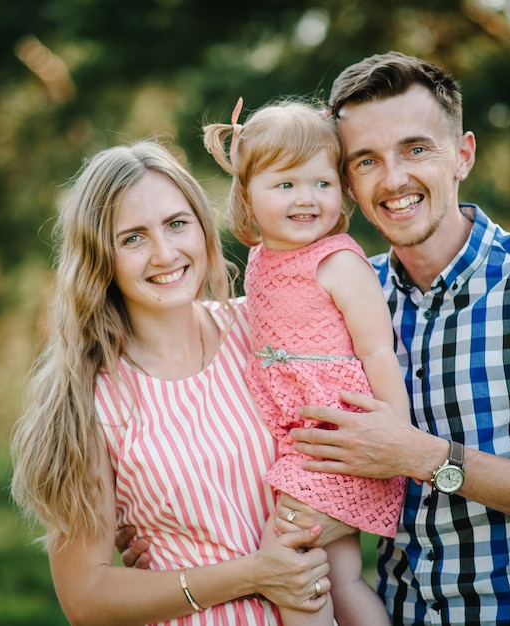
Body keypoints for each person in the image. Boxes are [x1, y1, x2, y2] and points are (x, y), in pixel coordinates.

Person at [284, 52, 510, 626]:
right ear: (349, 186)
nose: (393, 179)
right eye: (366, 161)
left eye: (416, 149)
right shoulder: (351, 297)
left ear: (463, 155)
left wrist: (423, 457)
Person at [10, 139, 333, 626]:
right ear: (101, 257)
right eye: (132, 238)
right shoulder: (89, 398)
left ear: (203, 229)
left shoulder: (267, 329)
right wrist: (252, 573)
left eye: (177, 224)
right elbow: (86, 596)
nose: (164, 253)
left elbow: (350, 451)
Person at [202, 98, 408, 626]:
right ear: (247, 195)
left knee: (287, 564)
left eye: (321, 183)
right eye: (285, 184)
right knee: (339, 579)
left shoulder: (337, 261)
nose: (306, 199)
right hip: (305, 448)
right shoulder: (261, 259)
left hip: (349, 446)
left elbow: (378, 351)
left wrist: (397, 439)